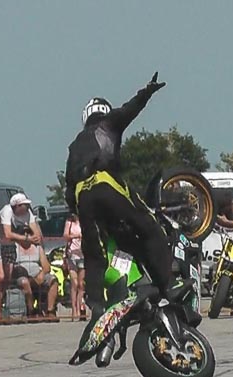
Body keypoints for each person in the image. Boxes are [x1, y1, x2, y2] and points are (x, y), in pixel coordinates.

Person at [65, 72, 171, 336]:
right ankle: (168, 285)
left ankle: (97, 306)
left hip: (82, 197)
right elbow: (129, 110)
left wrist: (82, 213)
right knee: (149, 227)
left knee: (94, 254)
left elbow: (68, 190)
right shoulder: (108, 123)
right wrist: (146, 92)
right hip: (106, 184)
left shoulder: (74, 144)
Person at [64, 214, 86, 321]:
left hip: (82, 254)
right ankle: (74, 309)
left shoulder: (84, 221)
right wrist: (76, 236)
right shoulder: (69, 222)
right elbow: (65, 235)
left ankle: (80, 306)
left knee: (81, 284)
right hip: (72, 255)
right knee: (74, 283)